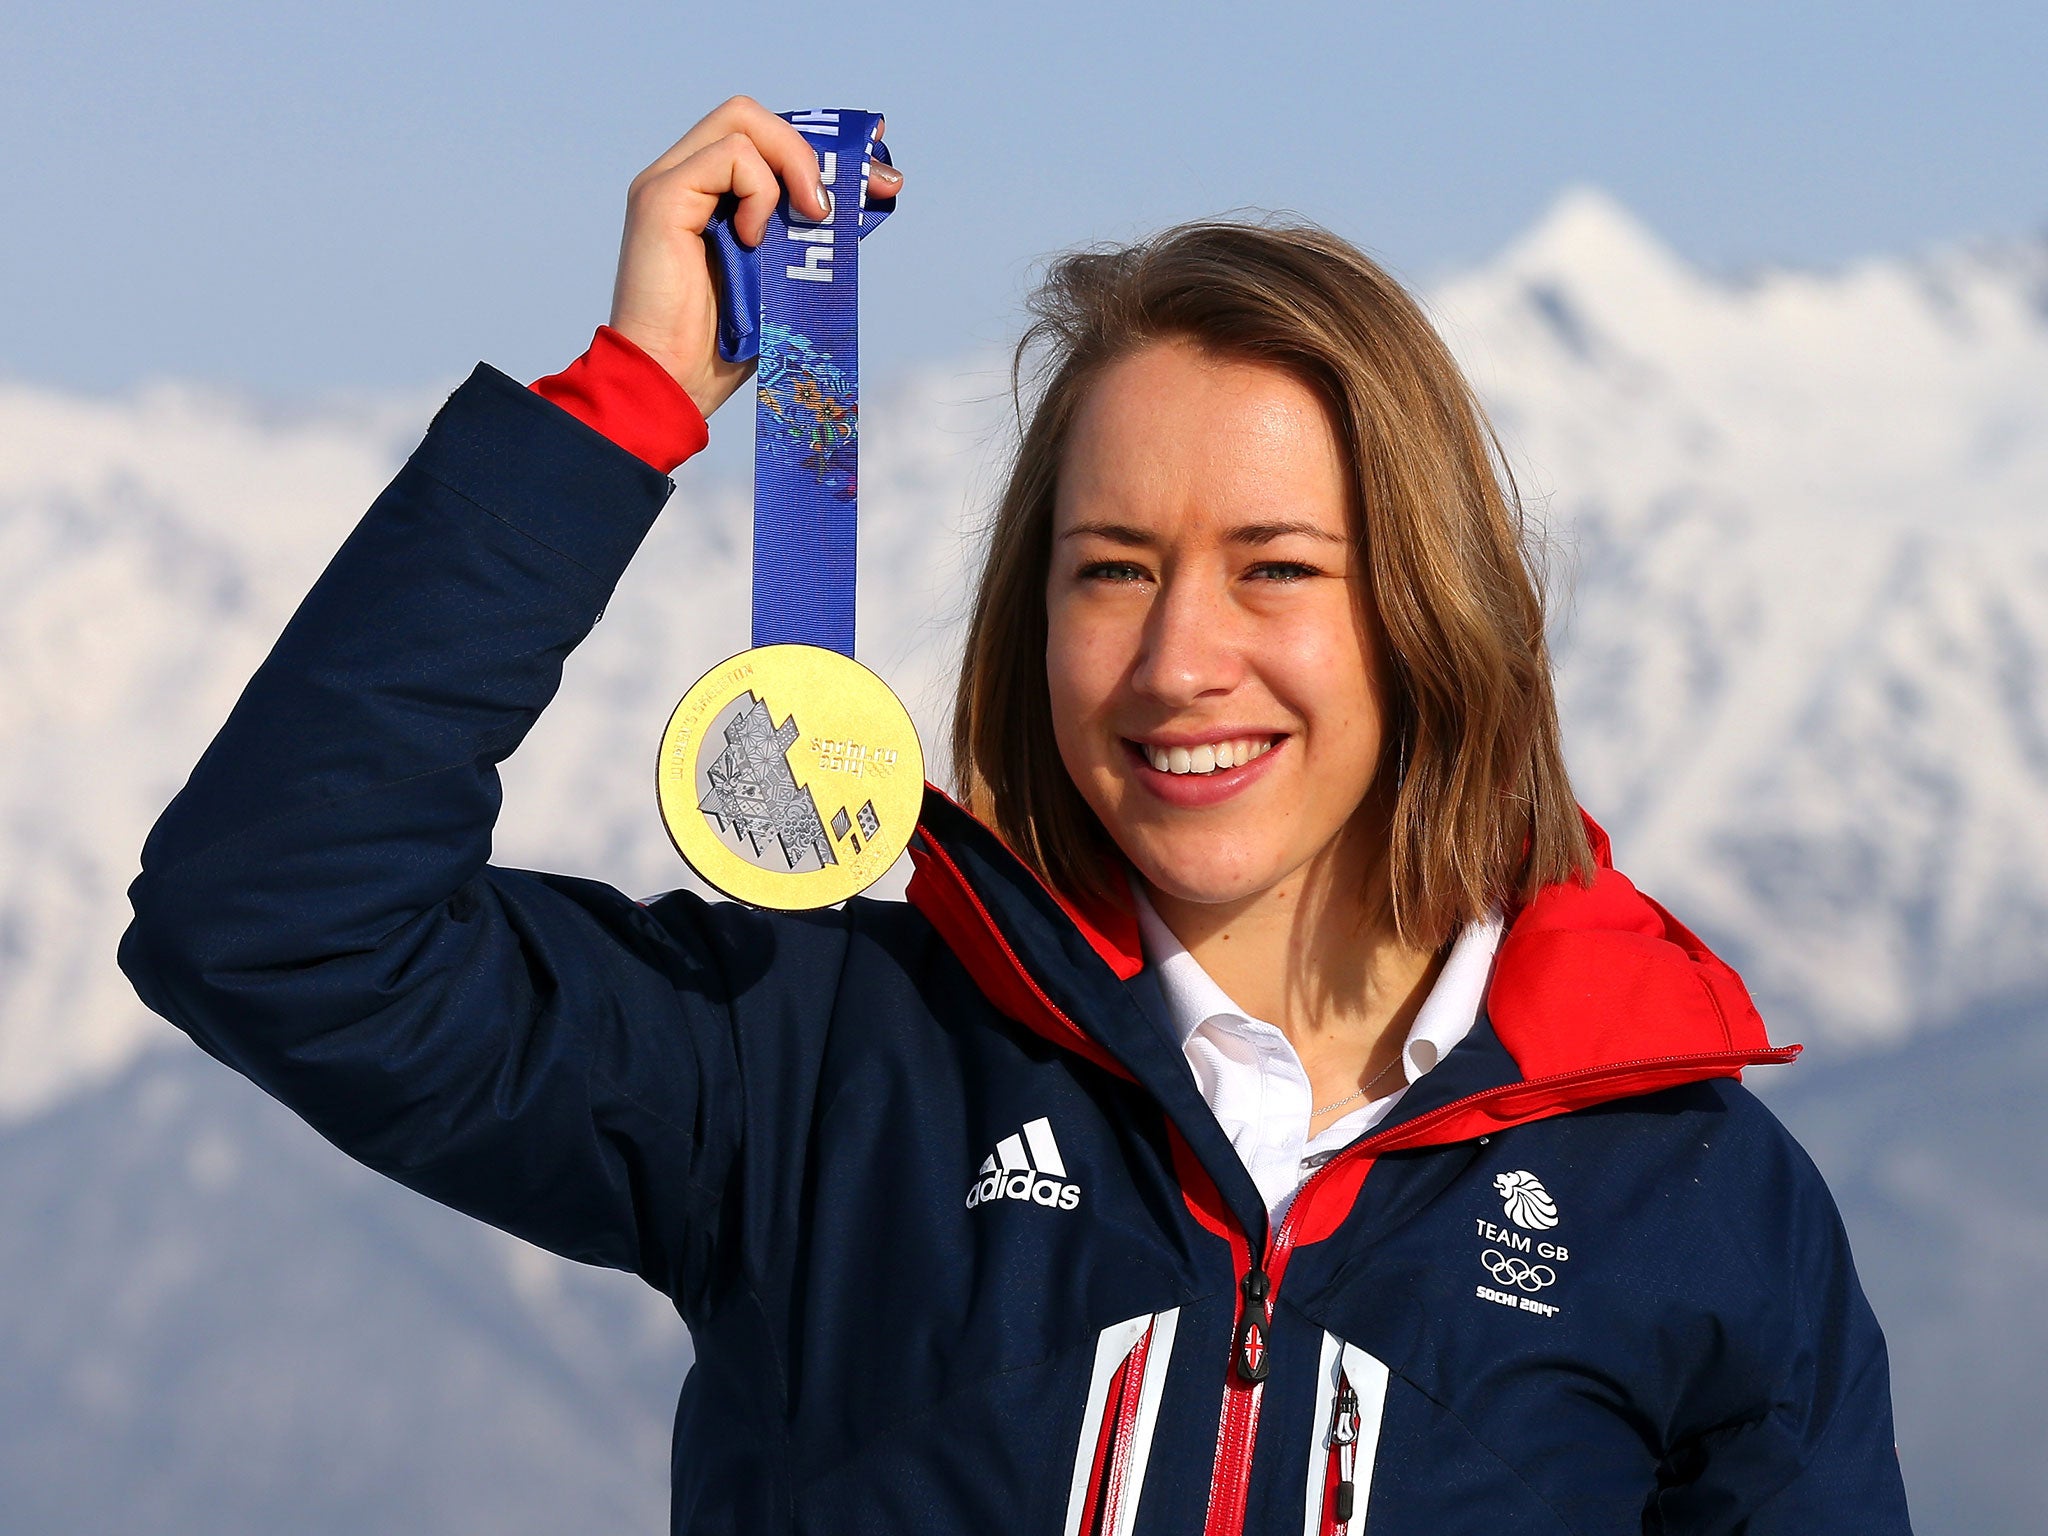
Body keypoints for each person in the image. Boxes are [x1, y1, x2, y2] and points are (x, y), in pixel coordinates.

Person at [119, 97, 1912, 1534]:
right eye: (1110, 570)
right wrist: (630, 400)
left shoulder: (1692, 1196)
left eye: (1276, 568)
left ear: (1422, 614)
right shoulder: (818, 1065)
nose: (1178, 659)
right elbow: (277, 921)